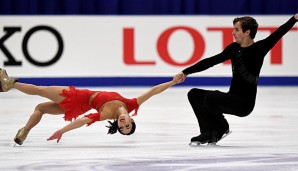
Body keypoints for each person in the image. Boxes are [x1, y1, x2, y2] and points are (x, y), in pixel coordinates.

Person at [174, 13, 298, 145]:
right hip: (231, 97)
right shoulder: (233, 49)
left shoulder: (259, 49)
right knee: (194, 94)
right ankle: (208, 132)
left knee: (210, 97)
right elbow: (211, 61)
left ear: (247, 32)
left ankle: (222, 128)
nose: (233, 32)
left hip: (244, 104)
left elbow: (279, 32)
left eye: (237, 29)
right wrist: (186, 72)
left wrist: (294, 18)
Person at [0, 68, 178, 145]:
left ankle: (10, 84)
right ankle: (24, 132)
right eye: (128, 126)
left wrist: (62, 130)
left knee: (41, 90)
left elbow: (82, 121)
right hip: (79, 106)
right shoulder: (131, 105)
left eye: (122, 127)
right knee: (40, 108)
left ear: (117, 124)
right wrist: (172, 81)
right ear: (132, 120)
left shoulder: (107, 114)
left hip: (79, 97)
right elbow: (154, 91)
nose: (123, 124)